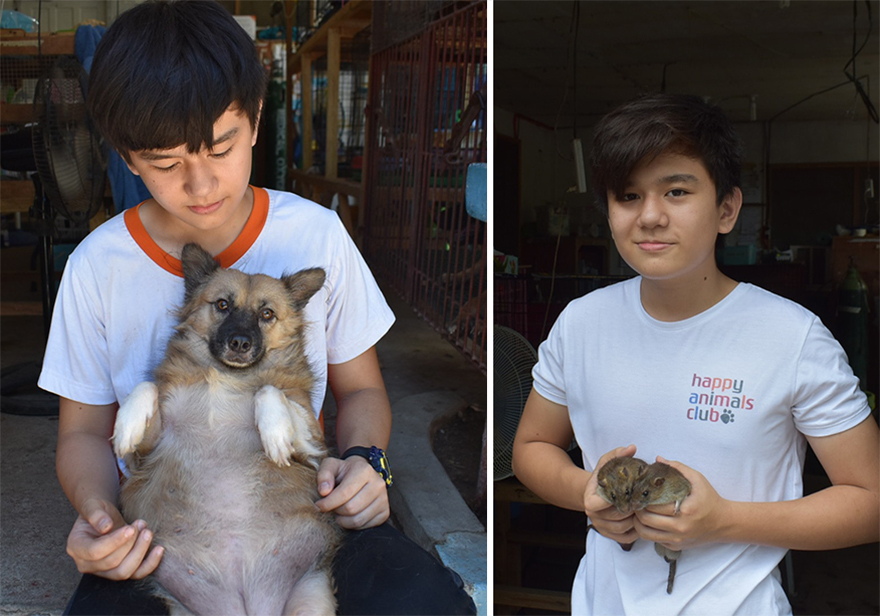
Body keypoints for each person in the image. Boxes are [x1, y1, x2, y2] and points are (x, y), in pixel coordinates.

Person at [37, 2, 475, 614]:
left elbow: (364, 392)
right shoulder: (94, 265)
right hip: (168, 536)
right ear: (124, 155)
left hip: (300, 519)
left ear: (256, 117)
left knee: (425, 602)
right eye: (165, 164)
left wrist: (366, 463)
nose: (201, 185)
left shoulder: (318, 234)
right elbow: (82, 432)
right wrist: (99, 515)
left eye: (221, 147)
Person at [511, 93, 879, 615]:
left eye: (676, 191)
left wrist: (724, 519)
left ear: (727, 208)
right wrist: (583, 490)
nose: (651, 217)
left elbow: (870, 500)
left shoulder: (791, 337)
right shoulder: (581, 323)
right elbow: (530, 445)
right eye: (628, 196)